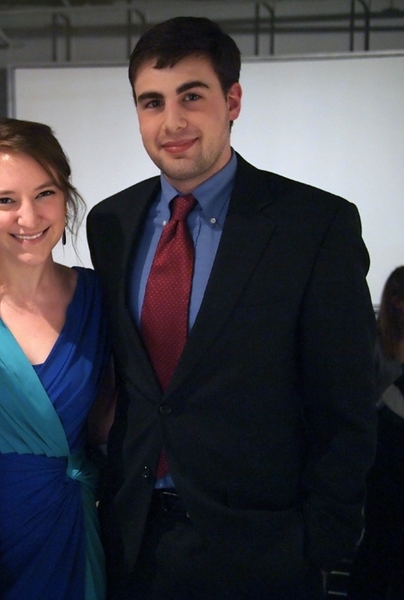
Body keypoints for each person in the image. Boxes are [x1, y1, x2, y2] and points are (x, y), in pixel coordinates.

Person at [86, 16, 377, 599]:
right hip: (134, 539)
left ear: (233, 100)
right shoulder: (110, 223)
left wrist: (321, 542)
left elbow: (345, 402)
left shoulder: (313, 225)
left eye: (191, 96)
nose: (172, 122)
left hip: (262, 550)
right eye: (151, 102)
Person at [0, 118, 111, 599]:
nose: (28, 217)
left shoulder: (98, 297)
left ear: (66, 198)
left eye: (45, 194)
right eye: (5, 200)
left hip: (72, 531)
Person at [347, 266, 404, 599]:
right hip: (383, 453)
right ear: (395, 300)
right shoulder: (374, 343)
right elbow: (364, 399)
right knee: (381, 538)